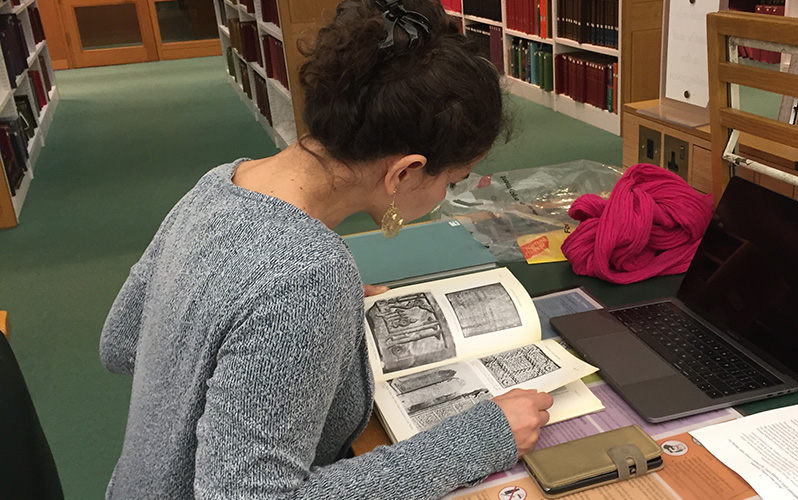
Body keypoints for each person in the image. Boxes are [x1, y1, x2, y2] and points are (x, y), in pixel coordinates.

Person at [98, 0, 553, 497]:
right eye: (453, 179)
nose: (446, 196)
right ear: (404, 171)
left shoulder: (220, 184)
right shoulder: (306, 276)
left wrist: (259, 325)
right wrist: (481, 439)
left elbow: (120, 343)